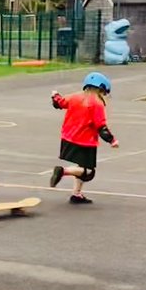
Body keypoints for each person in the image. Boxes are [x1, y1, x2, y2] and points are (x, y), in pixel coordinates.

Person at [48, 71, 119, 204]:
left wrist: (55, 95)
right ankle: (63, 171)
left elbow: (59, 103)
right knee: (88, 172)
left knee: (81, 167)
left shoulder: (74, 96)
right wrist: (112, 140)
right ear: (101, 89)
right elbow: (101, 127)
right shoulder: (97, 103)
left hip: (68, 137)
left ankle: (76, 194)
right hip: (85, 141)